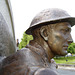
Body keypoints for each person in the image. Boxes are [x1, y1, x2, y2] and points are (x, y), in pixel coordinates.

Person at [0, 8, 75, 75]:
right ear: (45, 33)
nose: (70, 40)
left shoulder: (48, 62)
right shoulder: (37, 69)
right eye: (65, 31)